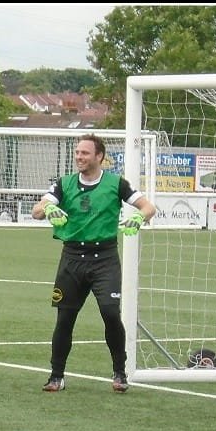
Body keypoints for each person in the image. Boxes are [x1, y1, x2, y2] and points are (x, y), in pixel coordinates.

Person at [32, 133, 156, 393]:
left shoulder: (116, 184)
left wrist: (139, 218)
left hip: (105, 259)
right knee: (65, 318)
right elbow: (37, 210)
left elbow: (148, 207)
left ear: (99, 156)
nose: (79, 157)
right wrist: (48, 209)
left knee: (111, 313)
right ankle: (56, 376)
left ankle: (120, 372)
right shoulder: (64, 184)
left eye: (85, 153)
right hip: (72, 259)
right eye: (77, 152)